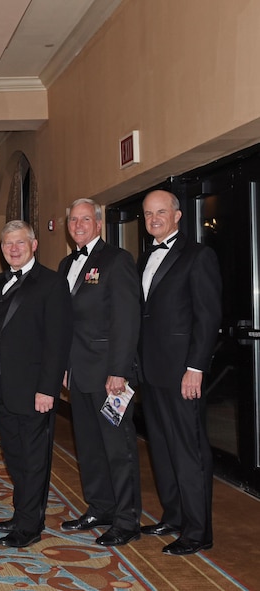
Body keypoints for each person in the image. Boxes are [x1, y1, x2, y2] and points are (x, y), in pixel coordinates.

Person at [137, 189, 222, 556]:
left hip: (182, 372)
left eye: (161, 212)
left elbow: (208, 317)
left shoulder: (198, 256)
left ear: (177, 215)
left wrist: (196, 367)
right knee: (162, 447)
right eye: (148, 213)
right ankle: (173, 515)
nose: (154, 219)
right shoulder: (143, 259)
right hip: (150, 372)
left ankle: (198, 531)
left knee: (190, 451)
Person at [57, 199, 141, 546]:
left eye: (85, 219)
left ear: (98, 223)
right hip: (78, 373)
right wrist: (62, 366)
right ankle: (100, 507)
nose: (78, 225)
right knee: (89, 446)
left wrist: (119, 370)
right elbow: (62, 322)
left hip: (110, 376)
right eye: (73, 220)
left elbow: (126, 318)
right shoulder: (65, 264)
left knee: (117, 448)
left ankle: (127, 520)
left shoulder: (117, 260)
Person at [0, 220, 72, 548]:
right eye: (7, 243)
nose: (13, 248)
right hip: (2, 389)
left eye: (20, 242)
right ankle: (22, 512)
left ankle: (29, 526)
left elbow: (57, 341)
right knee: (14, 456)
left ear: (34, 245)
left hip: (35, 390)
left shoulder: (51, 283)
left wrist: (48, 389)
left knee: (34, 459)